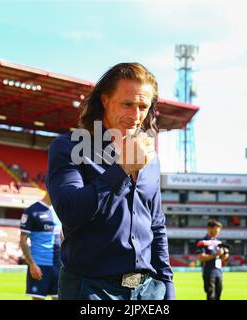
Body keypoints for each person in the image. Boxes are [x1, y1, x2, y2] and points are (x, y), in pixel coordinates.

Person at [46, 62, 174, 300]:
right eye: (127, 104)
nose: (136, 116)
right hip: (91, 289)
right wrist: (123, 168)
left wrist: (167, 285)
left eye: (143, 106)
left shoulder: (151, 160)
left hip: (149, 291)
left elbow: (156, 225)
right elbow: (70, 211)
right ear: (105, 100)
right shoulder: (70, 147)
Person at [19, 193, 63, 300]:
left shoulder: (59, 211)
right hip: (39, 266)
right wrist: (32, 264)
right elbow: (23, 241)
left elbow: (62, 237)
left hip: (58, 266)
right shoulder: (32, 211)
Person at [196, 220, 229, 300]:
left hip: (219, 273)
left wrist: (225, 255)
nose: (217, 233)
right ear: (209, 229)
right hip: (209, 273)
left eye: (218, 231)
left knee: (218, 297)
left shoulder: (219, 242)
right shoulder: (203, 242)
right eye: (216, 230)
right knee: (211, 297)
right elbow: (201, 257)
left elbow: (223, 258)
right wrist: (216, 255)